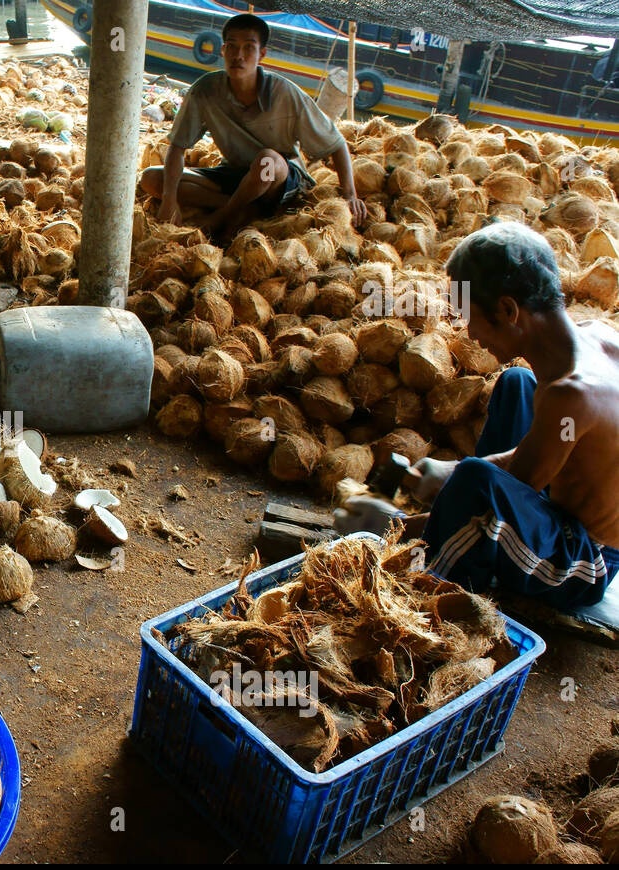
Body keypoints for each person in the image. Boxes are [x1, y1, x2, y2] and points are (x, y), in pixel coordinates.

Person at [335, 222, 619, 612]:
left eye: (472, 316)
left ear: (507, 310)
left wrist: (393, 528)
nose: (470, 332)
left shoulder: (571, 395)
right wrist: (450, 475)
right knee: (517, 384)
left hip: (585, 559)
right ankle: (456, 509)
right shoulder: (597, 335)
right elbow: (524, 462)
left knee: (475, 483)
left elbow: (502, 491)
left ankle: (444, 584)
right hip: (561, 496)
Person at [140, 13, 367, 240]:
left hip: (279, 181)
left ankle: (222, 216)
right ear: (222, 50)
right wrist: (169, 200)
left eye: (248, 48)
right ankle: (248, 208)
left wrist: (350, 195)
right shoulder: (205, 91)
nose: (238, 55)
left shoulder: (284, 93)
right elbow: (178, 147)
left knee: (266, 160)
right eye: (232, 46)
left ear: (262, 55)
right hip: (236, 175)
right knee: (152, 178)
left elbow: (336, 143)